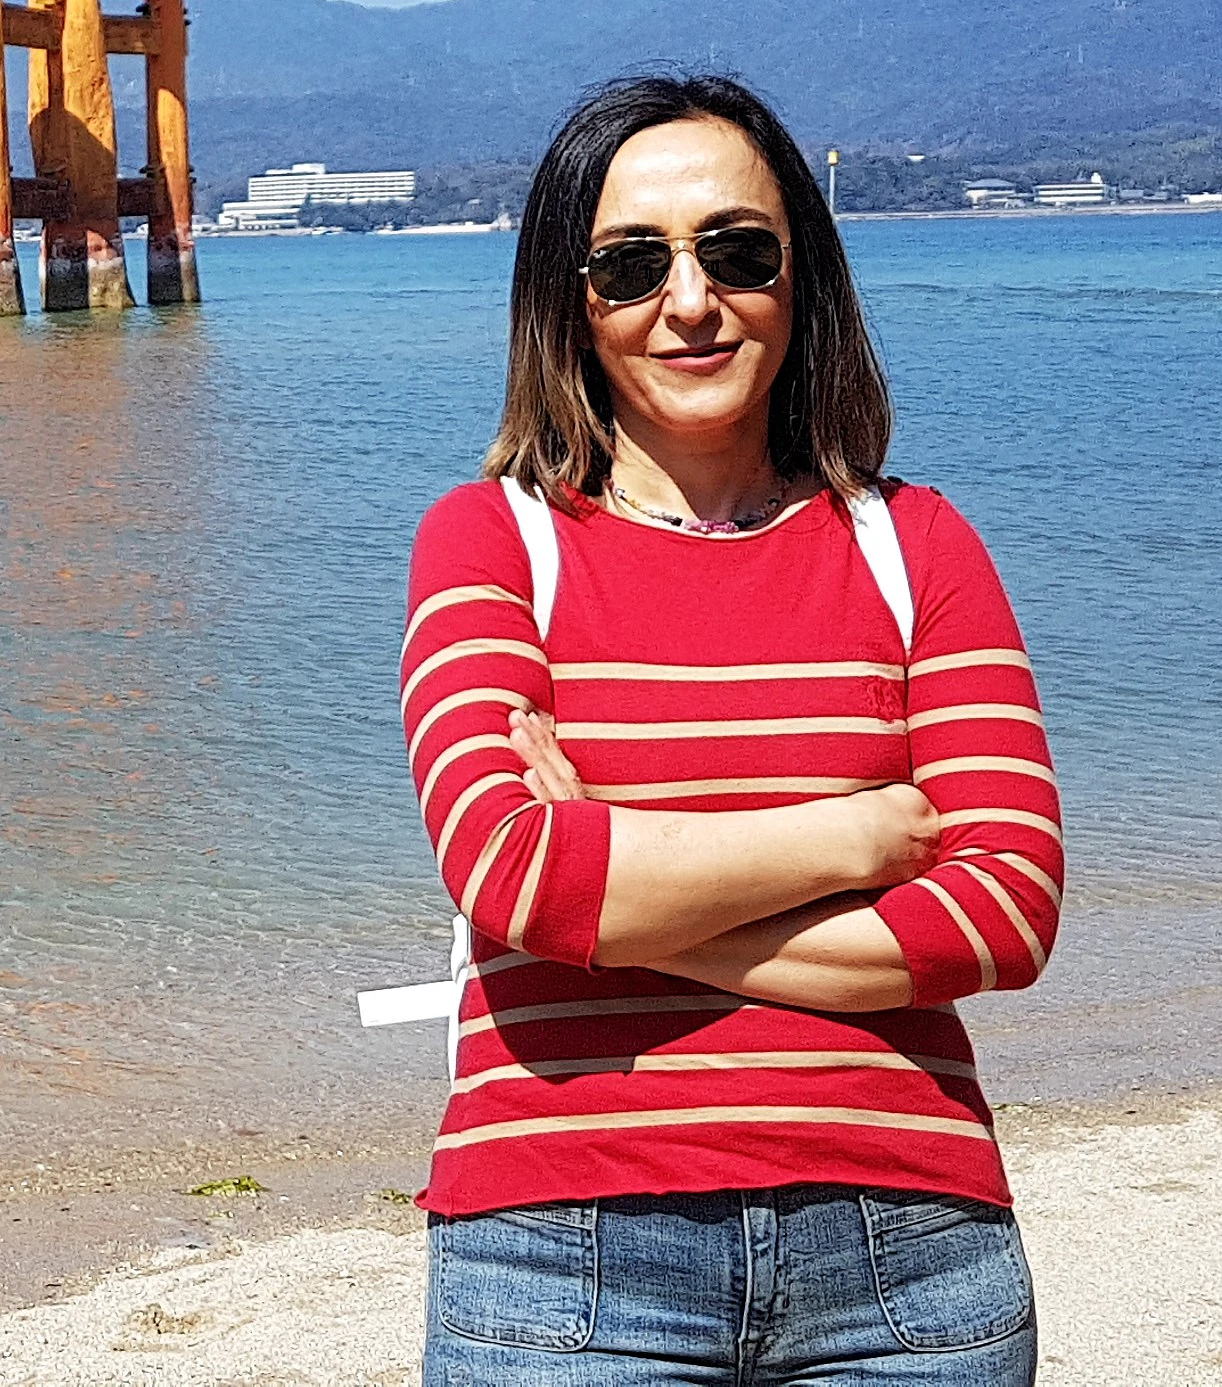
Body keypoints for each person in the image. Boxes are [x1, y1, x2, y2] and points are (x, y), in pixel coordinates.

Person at [400, 75, 1062, 1383]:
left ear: (800, 278)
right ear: (566, 302)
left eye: (738, 252)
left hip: (908, 1256)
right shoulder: (491, 540)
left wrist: (626, 910)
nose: (690, 301)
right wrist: (857, 833)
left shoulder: (912, 545)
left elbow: (1004, 912)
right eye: (631, 264)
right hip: (558, 1252)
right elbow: (512, 872)